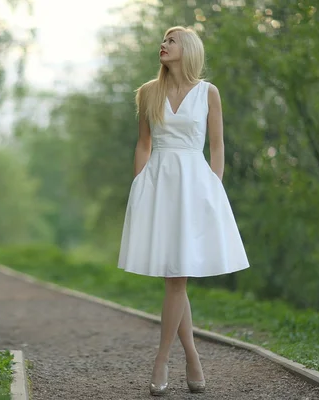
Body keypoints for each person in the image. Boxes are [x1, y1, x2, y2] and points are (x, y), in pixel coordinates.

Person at [117, 26, 249, 396]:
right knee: (176, 278)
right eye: (163, 40)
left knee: (177, 278)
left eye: (171, 41)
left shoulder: (209, 93)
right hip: (159, 185)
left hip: (194, 186)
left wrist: (213, 187)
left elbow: (218, 146)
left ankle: (162, 360)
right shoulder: (148, 92)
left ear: (187, 49)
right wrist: (140, 184)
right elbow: (143, 144)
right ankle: (191, 357)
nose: (163, 45)